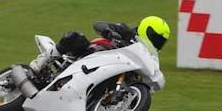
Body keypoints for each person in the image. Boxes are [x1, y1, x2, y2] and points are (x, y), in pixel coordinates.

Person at [29, 16, 170, 75]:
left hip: (110, 69)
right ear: (147, 29)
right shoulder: (126, 31)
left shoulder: (147, 54)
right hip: (91, 54)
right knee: (76, 37)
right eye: (156, 38)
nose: (157, 43)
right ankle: (42, 60)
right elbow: (99, 24)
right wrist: (110, 32)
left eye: (160, 42)